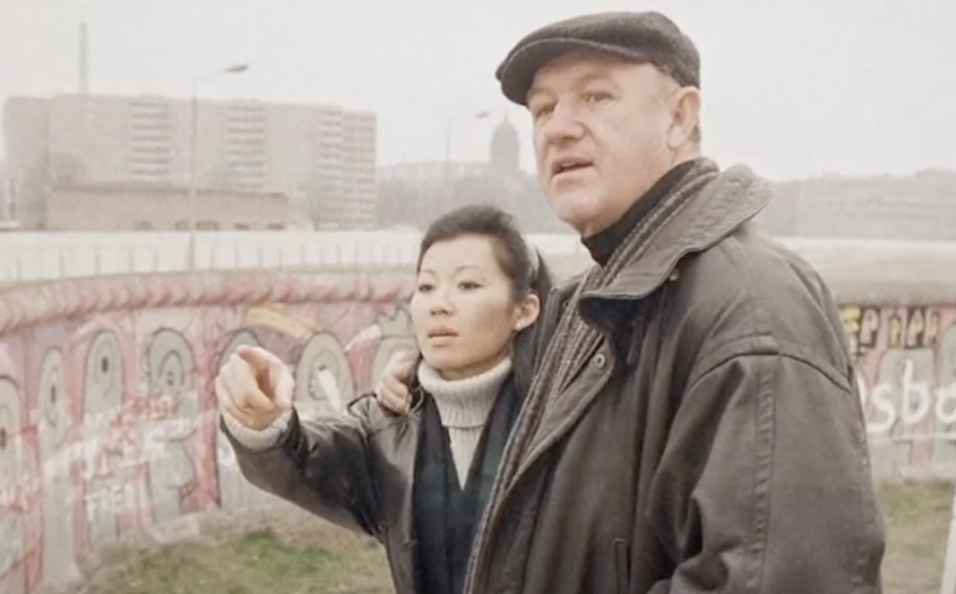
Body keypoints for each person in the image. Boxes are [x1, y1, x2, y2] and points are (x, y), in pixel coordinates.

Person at [375, 11, 886, 594]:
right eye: (543, 109)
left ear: (679, 117)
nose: (558, 129)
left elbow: (778, 578)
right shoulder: (595, 302)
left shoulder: (752, 310)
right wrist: (425, 377)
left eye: (596, 96)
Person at [215, 204, 553, 594]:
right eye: (426, 287)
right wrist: (264, 424)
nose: (439, 304)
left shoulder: (564, 419)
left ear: (524, 310)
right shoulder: (391, 428)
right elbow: (305, 460)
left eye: (468, 286)